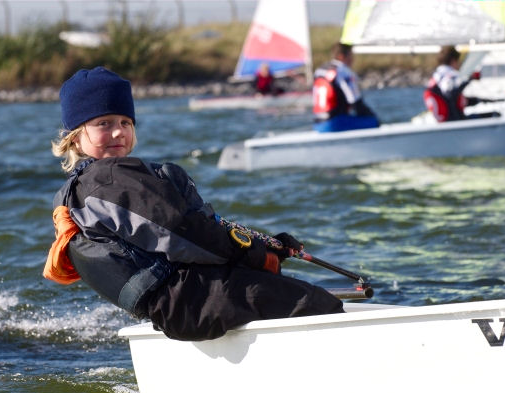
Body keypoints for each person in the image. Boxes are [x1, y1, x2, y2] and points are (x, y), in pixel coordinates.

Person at [43, 66, 344, 342]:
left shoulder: (84, 189)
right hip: (189, 299)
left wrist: (265, 246)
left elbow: (198, 232)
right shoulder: (109, 181)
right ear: (75, 138)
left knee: (286, 290)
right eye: (103, 123)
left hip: (183, 299)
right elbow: (183, 232)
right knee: (319, 304)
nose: (119, 131)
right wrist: (256, 256)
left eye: (125, 121)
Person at [313, 42, 379, 132]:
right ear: (341, 56)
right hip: (335, 123)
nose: (353, 59)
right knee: (372, 121)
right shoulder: (343, 71)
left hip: (318, 124)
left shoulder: (320, 70)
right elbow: (354, 101)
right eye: (350, 56)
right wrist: (372, 117)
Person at [424, 45, 498, 122]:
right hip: (455, 123)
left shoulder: (436, 76)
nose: (459, 64)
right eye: (458, 61)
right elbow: (450, 94)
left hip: (449, 122)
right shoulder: (450, 75)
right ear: (453, 61)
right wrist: (470, 79)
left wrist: (480, 100)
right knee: (495, 115)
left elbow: (453, 98)